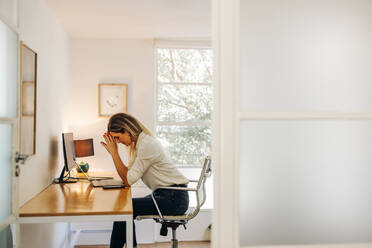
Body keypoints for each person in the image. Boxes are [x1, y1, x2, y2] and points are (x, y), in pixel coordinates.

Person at [101, 113, 189, 248]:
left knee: (124, 210)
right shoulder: (138, 145)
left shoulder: (147, 145)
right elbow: (127, 177)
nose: (117, 142)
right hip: (166, 194)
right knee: (123, 210)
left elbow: (128, 180)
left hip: (174, 198)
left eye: (117, 137)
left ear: (127, 130)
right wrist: (114, 154)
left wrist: (114, 154)